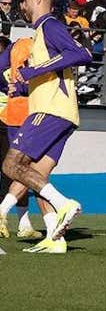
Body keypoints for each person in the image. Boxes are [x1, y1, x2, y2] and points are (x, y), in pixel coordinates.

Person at [0, 0, 91, 253]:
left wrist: (33, 70)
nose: (22, 5)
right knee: (36, 173)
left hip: (50, 110)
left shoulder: (50, 25)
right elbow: (55, 75)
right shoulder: (42, 33)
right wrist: (25, 85)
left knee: (11, 165)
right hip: (60, 110)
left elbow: (82, 54)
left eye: (25, 0)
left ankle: (64, 204)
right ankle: (55, 236)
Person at [0, 37, 38, 240]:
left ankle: (23, 222)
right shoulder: (23, 53)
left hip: (10, 119)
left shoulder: (15, 55)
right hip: (14, 119)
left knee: (16, 172)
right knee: (16, 171)